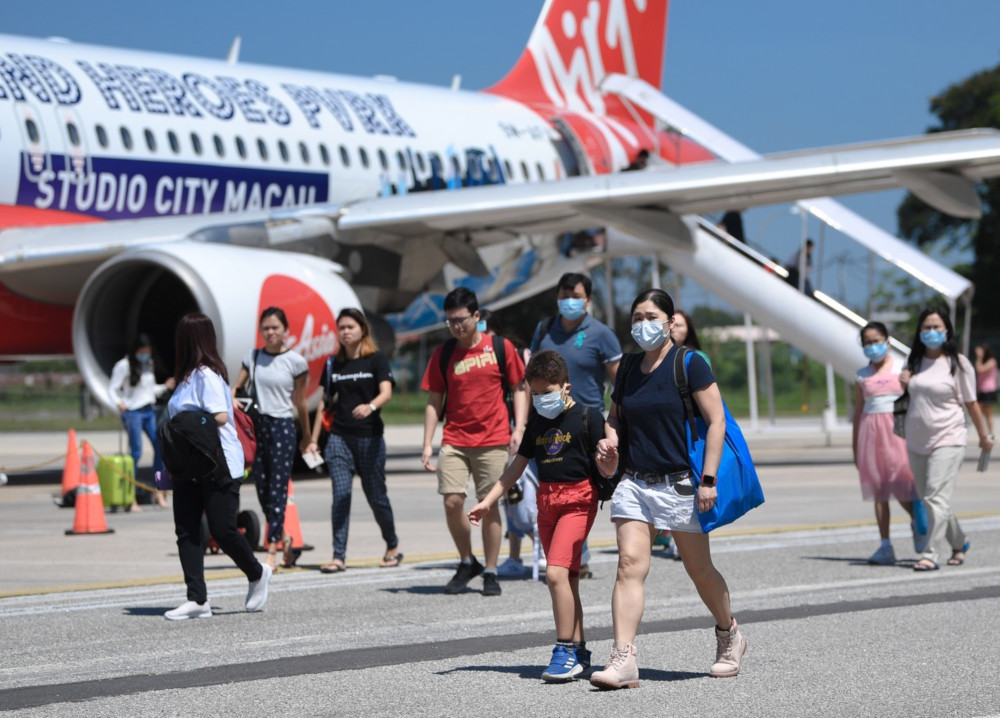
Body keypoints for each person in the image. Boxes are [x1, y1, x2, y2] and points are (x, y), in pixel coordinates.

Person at [589, 288, 746, 689]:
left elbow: (716, 422)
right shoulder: (626, 368)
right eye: (636, 317)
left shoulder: (689, 363)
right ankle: (623, 659)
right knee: (629, 565)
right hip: (635, 482)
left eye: (651, 316)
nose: (643, 324)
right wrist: (611, 445)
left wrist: (708, 479)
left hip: (680, 484)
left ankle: (729, 635)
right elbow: (615, 417)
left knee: (699, 570)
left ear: (671, 321)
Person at [468, 350, 615, 682]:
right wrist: (487, 502)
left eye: (546, 392)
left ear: (565, 386)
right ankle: (578, 649)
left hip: (578, 501)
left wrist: (608, 455)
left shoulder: (589, 418)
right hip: (546, 502)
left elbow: (609, 465)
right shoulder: (537, 421)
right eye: (534, 393)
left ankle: (563, 649)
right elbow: (514, 470)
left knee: (554, 575)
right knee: (568, 579)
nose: (540, 399)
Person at [161, 313, 271, 620]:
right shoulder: (185, 378)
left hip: (217, 461)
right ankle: (197, 599)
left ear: (189, 341)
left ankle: (257, 572)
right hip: (188, 463)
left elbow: (220, 416)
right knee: (187, 530)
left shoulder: (206, 375)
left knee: (223, 530)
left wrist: (183, 422)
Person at [421, 287, 528, 597]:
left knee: (489, 505)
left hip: (493, 438)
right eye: (450, 321)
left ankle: (491, 570)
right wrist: (428, 443)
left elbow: (520, 388)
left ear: (477, 317)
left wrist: (519, 427)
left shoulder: (499, 347)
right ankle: (467, 561)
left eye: (462, 320)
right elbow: (433, 399)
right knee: (452, 500)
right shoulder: (443, 354)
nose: (456, 326)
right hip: (454, 438)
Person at [531, 272, 622, 578]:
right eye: (564, 295)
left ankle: (574, 558)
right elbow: (532, 374)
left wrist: (614, 423)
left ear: (588, 300)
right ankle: (564, 557)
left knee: (579, 491)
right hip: (547, 425)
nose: (569, 301)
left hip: (585, 426)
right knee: (551, 490)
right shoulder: (544, 329)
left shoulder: (601, 333)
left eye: (576, 295)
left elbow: (618, 383)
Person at [900, 308, 994, 571]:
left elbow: (972, 403)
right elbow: (910, 400)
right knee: (930, 497)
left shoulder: (959, 363)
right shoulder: (913, 362)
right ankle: (959, 541)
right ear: (920, 332)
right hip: (917, 439)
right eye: (926, 327)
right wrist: (904, 383)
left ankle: (931, 553)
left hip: (949, 436)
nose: (931, 332)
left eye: (936, 327)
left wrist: (983, 436)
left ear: (947, 331)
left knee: (934, 497)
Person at [308, 308, 401, 574]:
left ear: (362, 330)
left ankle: (392, 545)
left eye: (350, 327)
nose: (345, 332)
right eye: (341, 328)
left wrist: (370, 407)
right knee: (341, 495)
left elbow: (387, 392)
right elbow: (325, 405)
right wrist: (314, 440)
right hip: (339, 437)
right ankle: (338, 556)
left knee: (376, 496)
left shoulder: (376, 360)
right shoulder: (332, 364)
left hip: (369, 438)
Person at [232, 307, 311, 570]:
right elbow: (237, 387)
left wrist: (307, 437)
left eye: (275, 327)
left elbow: (301, 402)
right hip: (258, 426)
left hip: (283, 426)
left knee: (278, 491)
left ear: (285, 330)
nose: (270, 332)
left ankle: (273, 549)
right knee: (263, 490)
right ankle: (286, 538)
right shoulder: (253, 357)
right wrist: (232, 399)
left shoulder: (296, 362)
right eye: (266, 328)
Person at [851, 322, 924, 566]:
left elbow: (917, 400)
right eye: (868, 343)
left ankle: (919, 524)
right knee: (878, 491)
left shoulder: (902, 368)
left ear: (888, 342)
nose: (873, 346)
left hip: (897, 432)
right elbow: (859, 413)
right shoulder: (862, 375)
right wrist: (855, 447)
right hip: (871, 436)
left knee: (902, 486)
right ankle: (885, 545)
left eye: (877, 341)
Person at [478, 309, 538, 579]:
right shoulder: (475, 354)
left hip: (521, 429)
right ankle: (514, 556)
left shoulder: (512, 351)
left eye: (485, 330)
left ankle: (543, 546)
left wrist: (524, 426)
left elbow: (526, 389)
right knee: (510, 496)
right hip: (498, 430)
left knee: (525, 493)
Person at [654, 309, 711, 559]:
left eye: (681, 324)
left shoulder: (696, 359)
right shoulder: (654, 358)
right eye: (673, 323)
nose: (676, 328)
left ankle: (683, 536)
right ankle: (668, 533)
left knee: (689, 482)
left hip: (689, 431)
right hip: (664, 431)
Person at [108, 333, 175, 511]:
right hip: (133, 412)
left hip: (148, 410)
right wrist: (119, 403)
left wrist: (164, 387)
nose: (145, 355)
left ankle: (159, 490)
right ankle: (131, 497)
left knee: (161, 448)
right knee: (136, 453)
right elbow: (112, 388)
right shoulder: (123, 366)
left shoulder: (148, 364)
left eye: (148, 352)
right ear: (135, 350)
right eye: (142, 352)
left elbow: (149, 389)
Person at [974, 344, 997, 437]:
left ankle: (991, 433)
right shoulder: (982, 361)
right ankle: (983, 432)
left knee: (988, 414)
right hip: (981, 390)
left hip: (988, 390)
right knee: (978, 413)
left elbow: (980, 369)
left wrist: (979, 357)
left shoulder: (992, 361)